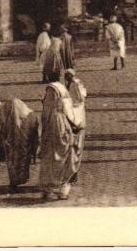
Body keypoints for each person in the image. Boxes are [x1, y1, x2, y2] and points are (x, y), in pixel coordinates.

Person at [39, 70, 80, 201]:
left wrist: (44, 128)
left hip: (53, 123)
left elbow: (46, 111)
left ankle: (48, 189)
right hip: (63, 122)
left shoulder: (50, 90)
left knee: (49, 156)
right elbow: (69, 109)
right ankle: (63, 190)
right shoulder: (62, 89)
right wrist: (73, 124)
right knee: (64, 155)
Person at [0, 98, 40, 193]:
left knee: (12, 164)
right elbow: (35, 129)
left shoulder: (6, 112)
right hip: (23, 146)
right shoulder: (30, 115)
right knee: (22, 163)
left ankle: (14, 182)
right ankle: (21, 179)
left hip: (11, 146)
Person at [65, 68, 87, 184]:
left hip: (75, 121)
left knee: (74, 150)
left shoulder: (74, 85)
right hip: (78, 118)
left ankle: (73, 174)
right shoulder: (76, 84)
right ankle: (73, 173)